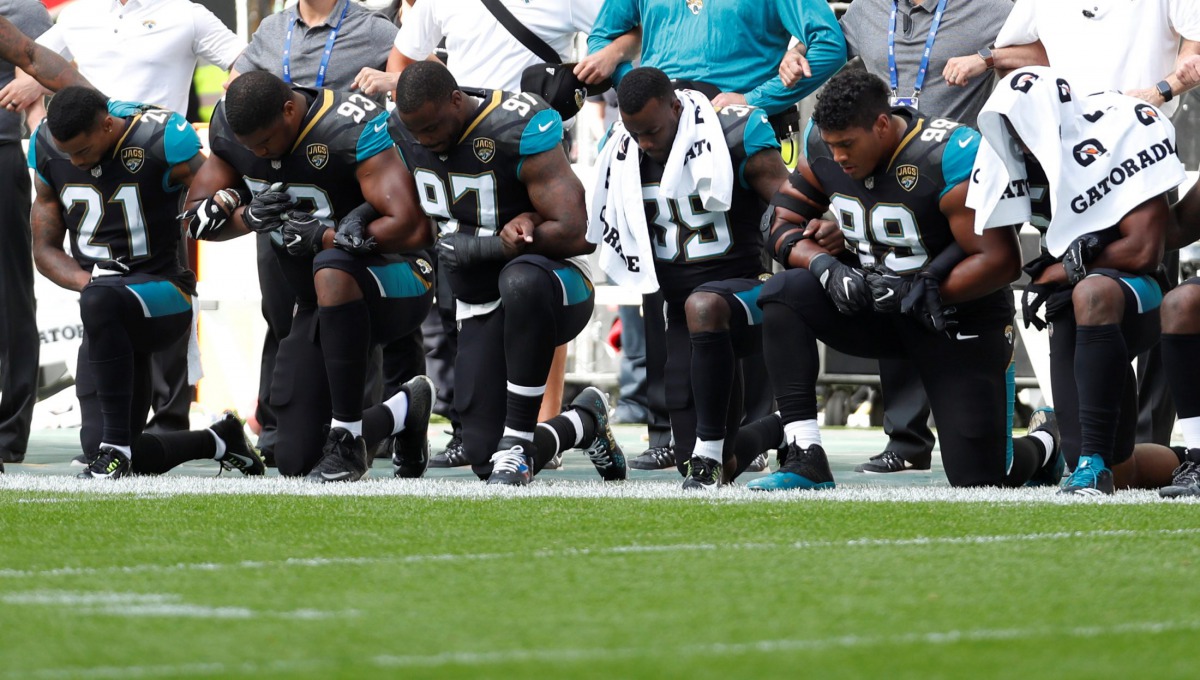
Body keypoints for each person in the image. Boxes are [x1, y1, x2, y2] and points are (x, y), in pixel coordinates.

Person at [746, 69, 1061, 492]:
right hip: (879, 306)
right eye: (832, 144)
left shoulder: (947, 153)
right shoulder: (821, 144)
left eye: (848, 144)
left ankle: (1046, 442)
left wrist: (917, 290)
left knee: (982, 476)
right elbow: (780, 224)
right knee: (783, 292)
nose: (838, 157)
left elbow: (1000, 260)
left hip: (955, 315)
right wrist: (824, 265)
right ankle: (805, 456)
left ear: (880, 124)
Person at [0, 0, 245, 441]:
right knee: (101, 302)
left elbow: (242, 63)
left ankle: (170, 422)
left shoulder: (184, 14)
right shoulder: (79, 18)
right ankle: (161, 437)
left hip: (157, 165)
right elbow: (32, 56)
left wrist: (238, 208)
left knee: (157, 275)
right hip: (84, 140)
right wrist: (41, 117)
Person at [183, 71, 435, 482]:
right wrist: (247, 216)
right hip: (318, 303)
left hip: (399, 277)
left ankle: (351, 443)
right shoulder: (234, 131)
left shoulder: (349, 125)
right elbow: (196, 218)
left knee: (330, 264)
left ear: (289, 110)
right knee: (296, 459)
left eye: (265, 142)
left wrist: (325, 236)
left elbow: (413, 227)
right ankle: (404, 410)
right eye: (251, 149)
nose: (260, 154)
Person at [390, 61, 625, 485]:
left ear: (456, 100)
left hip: (552, 284)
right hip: (479, 299)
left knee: (520, 279)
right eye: (417, 132)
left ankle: (517, 443)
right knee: (481, 453)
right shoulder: (403, 129)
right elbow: (409, 212)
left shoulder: (515, 125)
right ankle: (584, 421)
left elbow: (579, 231)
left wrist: (500, 243)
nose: (427, 140)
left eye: (433, 127)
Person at [968, 67, 1186, 496]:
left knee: (1093, 290)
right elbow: (986, 245)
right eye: (1011, 130)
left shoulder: (1124, 127)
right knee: (1122, 472)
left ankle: (1093, 462)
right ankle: (1184, 460)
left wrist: (1067, 266)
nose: (1020, 141)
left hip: (1137, 292)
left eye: (1026, 128)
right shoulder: (1005, 152)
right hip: (1075, 308)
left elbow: (1144, 250)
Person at [28, 86, 263, 479]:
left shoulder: (159, 138)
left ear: (107, 125)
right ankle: (219, 440)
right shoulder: (48, 149)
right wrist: (93, 284)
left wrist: (227, 204)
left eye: (82, 151)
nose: (75, 162)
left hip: (165, 292)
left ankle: (116, 451)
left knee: (112, 448)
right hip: (103, 307)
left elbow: (226, 184)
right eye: (67, 153)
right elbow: (45, 251)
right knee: (101, 447)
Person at [588, 67, 790, 489]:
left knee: (706, 306)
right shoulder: (621, 150)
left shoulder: (736, 131)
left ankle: (710, 455)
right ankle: (776, 428)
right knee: (708, 459)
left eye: (653, 131)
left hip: (745, 291)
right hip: (680, 308)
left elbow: (791, 210)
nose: (644, 142)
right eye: (635, 132)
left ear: (676, 108)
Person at [228, 0, 407, 467]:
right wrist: (244, 210)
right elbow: (237, 83)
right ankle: (275, 423)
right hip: (287, 185)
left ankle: (361, 425)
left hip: (350, 176)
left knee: (349, 306)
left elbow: (420, 73)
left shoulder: (373, 27)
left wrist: (391, 80)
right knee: (280, 313)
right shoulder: (272, 27)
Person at [0, 1, 51, 474]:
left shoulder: (20, 6)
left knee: (9, 293)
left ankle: (9, 431)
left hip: (0, 150)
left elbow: (45, 64)